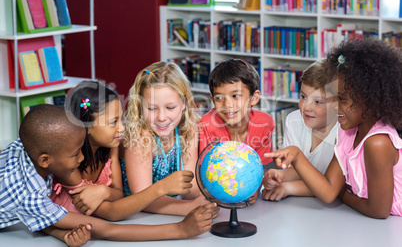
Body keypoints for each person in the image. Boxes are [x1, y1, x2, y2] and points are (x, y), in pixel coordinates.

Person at [0, 104, 216, 244]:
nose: (81, 159)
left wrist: (61, 234)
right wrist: (180, 230)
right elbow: (107, 230)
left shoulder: (25, 146)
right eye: (75, 154)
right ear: (45, 160)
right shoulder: (28, 195)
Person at [265, 39, 402, 218]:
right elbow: (329, 190)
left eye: (342, 99)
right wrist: (297, 156)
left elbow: (378, 211)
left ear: (369, 100)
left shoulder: (378, 142)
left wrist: (343, 192)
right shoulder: (348, 132)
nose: (335, 107)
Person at [51, 81, 202, 221]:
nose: (122, 129)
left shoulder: (112, 148)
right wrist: (163, 187)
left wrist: (104, 192)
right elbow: (112, 213)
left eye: (120, 120)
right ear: (87, 126)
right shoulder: (68, 165)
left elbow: (118, 193)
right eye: (113, 122)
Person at [122, 61, 218, 216]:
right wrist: (189, 208)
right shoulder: (140, 137)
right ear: (140, 106)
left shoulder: (188, 130)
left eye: (170, 107)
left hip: (169, 212)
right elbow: (142, 199)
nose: (161, 117)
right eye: (152, 108)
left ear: (184, 103)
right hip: (139, 217)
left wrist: (206, 200)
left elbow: (191, 189)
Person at [198, 59, 275, 204]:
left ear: (254, 98)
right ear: (212, 100)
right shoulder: (206, 125)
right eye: (219, 98)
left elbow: (258, 167)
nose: (227, 105)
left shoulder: (264, 123)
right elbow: (205, 173)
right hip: (215, 199)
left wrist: (255, 189)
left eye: (236, 96)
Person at [262, 60, 339, 201]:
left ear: (337, 105)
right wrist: (281, 176)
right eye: (303, 97)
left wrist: (289, 188)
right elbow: (299, 170)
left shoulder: (343, 132)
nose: (306, 107)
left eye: (318, 102)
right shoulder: (293, 121)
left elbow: (333, 187)